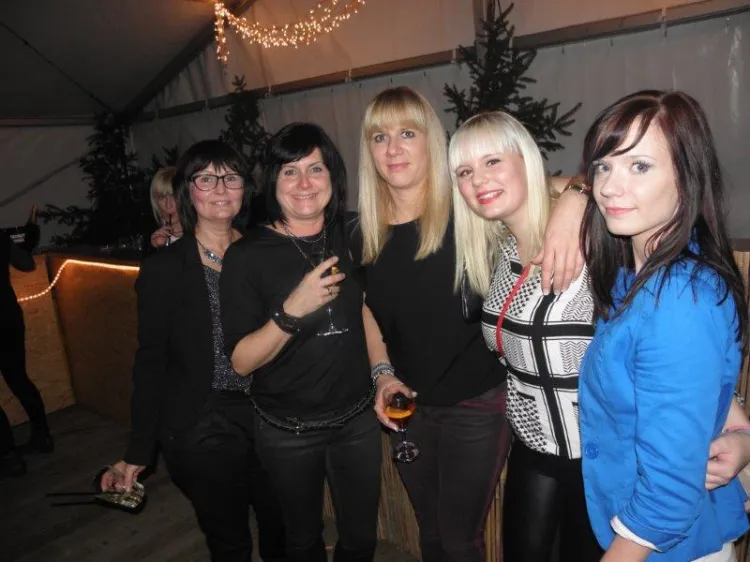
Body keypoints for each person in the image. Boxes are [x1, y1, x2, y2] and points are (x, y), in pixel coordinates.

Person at [353, 86, 586, 561]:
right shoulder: (361, 231)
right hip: (411, 407)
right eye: (379, 137)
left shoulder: (472, 212)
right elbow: (368, 307)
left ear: (431, 140)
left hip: (477, 404)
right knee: (431, 531)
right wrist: (382, 374)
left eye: (407, 133)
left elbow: (568, 182)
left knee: (460, 540)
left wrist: (574, 202)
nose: (393, 148)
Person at [579, 90, 749, 561]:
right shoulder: (634, 276)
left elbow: (667, 499)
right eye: (604, 166)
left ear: (686, 178)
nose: (609, 187)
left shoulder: (679, 299)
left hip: (664, 545)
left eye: (640, 166)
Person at [101, 140, 286, 562]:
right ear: (188, 190)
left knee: (282, 527)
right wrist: (138, 450)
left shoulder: (263, 250)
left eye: (230, 177)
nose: (220, 188)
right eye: (206, 178)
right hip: (204, 421)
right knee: (230, 541)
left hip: (269, 413)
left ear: (245, 189)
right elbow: (150, 361)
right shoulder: (166, 267)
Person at [221, 123, 381, 562]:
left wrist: (383, 373)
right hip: (287, 431)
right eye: (290, 171)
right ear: (272, 182)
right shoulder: (247, 256)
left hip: (357, 421)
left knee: (360, 539)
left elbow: (366, 309)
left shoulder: (353, 232)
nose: (305, 183)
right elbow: (241, 362)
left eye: (316, 168)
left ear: (333, 176)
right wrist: (292, 309)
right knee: (303, 541)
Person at [449, 110, 603, 561]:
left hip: (600, 452)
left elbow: (634, 184)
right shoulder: (496, 247)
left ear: (527, 160)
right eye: (464, 171)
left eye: (493, 161)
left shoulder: (591, 239)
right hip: (533, 447)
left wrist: (578, 194)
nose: (479, 180)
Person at [0, 225, 52, 478]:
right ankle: (42, 436)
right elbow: (26, 264)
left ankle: (8, 455)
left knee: (18, 379)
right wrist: (24, 244)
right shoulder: (0, 236)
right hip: (8, 317)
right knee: (19, 379)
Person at [149, 166, 183, 248]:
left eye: (173, 195)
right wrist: (159, 248)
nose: (168, 204)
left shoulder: (204, 234)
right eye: (162, 197)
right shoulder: (154, 239)